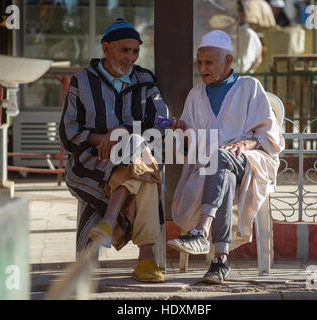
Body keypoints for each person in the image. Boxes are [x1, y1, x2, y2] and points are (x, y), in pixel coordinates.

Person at [167, 30, 284, 284]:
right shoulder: (196, 95)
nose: (202, 68)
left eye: (208, 62)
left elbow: (269, 135)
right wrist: (183, 129)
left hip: (250, 161)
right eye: (199, 62)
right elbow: (192, 145)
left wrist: (247, 142)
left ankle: (200, 231)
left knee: (221, 162)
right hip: (214, 165)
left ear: (228, 61)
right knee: (222, 170)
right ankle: (220, 262)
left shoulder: (250, 87)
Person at [59, 18, 168, 283]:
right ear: (105, 48)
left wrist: (121, 132)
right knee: (147, 178)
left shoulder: (145, 80)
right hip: (90, 163)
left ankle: (105, 228)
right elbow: (67, 134)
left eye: (135, 50)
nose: (131, 57)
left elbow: (160, 123)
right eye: (124, 50)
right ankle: (146, 258)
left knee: (136, 150)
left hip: (137, 155)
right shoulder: (81, 81)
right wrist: (101, 139)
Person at [237, 0, 263, 73]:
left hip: (243, 76)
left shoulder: (250, 34)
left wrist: (250, 71)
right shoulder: (228, 33)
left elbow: (258, 58)